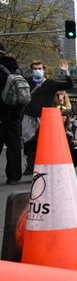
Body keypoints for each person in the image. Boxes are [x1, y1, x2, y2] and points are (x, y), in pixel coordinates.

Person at [22, 59, 73, 175]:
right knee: (28, 142)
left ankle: (44, 166)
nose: (37, 71)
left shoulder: (50, 83)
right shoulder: (26, 82)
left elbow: (69, 85)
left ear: (44, 70)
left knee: (44, 143)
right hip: (28, 115)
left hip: (44, 117)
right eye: (35, 69)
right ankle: (30, 165)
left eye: (39, 68)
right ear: (32, 70)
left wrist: (66, 72)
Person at [0, 43, 23, 184]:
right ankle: (13, 176)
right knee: (14, 146)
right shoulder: (15, 67)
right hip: (15, 113)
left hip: (1, 113)